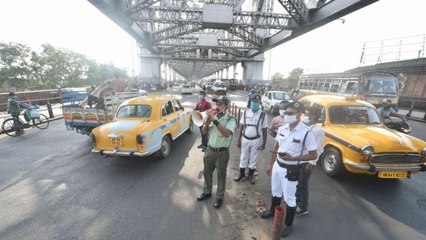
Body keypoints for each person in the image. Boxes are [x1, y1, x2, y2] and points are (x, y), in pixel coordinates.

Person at [260, 101, 317, 237]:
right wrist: (270, 164)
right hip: (277, 166)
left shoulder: (306, 133)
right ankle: (273, 210)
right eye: (286, 113)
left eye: (290, 113)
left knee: (290, 198)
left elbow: (313, 154)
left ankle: (288, 224)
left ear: (299, 115)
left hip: (291, 169)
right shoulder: (283, 129)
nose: (287, 115)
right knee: (276, 191)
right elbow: (276, 147)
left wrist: (293, 158)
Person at [197, 96, 237, 209]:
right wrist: (206, 123)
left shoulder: (231, 119)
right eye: (216, 104)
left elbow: (227, 133)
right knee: (207, 172)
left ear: (226, 106)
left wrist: (214, 120)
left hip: (222, 153)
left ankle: (219, 197)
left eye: (220, 104)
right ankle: (207, 191)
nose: (217, 107)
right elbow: (204, 132)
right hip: (210, 150)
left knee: (221, 175)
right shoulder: (212, 118)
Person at [296, 106, 325, 216]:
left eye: (307, 114)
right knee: (297, 181)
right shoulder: (305, 127)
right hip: (300, 159)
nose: (305, 116)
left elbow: (319, 149)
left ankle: (303, 207)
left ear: (312, 117)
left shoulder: (318, 131)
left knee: (303, 183)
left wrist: (311, 164)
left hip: (307, 161)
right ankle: (297, 201)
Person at [235, 94, 268, 184]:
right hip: (245, 138)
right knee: (243, 157)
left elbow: (265, 130)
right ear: (250, 101)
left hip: (256, 140)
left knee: (253, 158)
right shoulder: (246, 112)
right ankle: (241, 174)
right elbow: (241, 125)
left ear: (259, 102)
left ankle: (250, 175)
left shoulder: (263, 114)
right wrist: (238, 139)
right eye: (253, 101)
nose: (254, 103)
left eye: (256, 101)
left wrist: (264, 143)